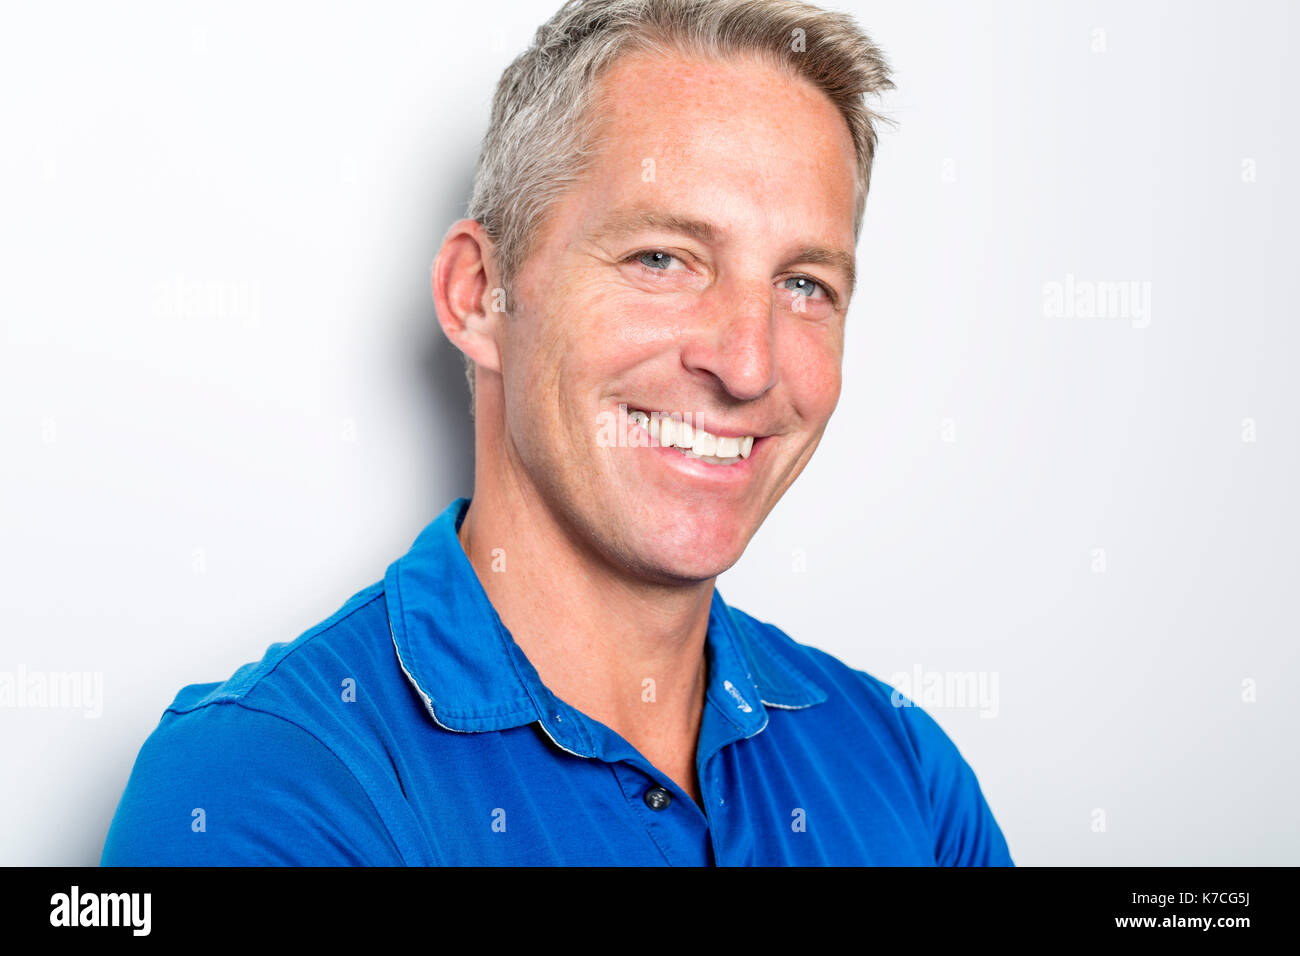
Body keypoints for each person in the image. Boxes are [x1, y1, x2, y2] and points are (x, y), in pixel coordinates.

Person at [102, 0, 1014, 866]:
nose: (747, 364)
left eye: (805, 284)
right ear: (478, 295)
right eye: (663, 258)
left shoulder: (902, 770)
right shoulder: (266, 789)